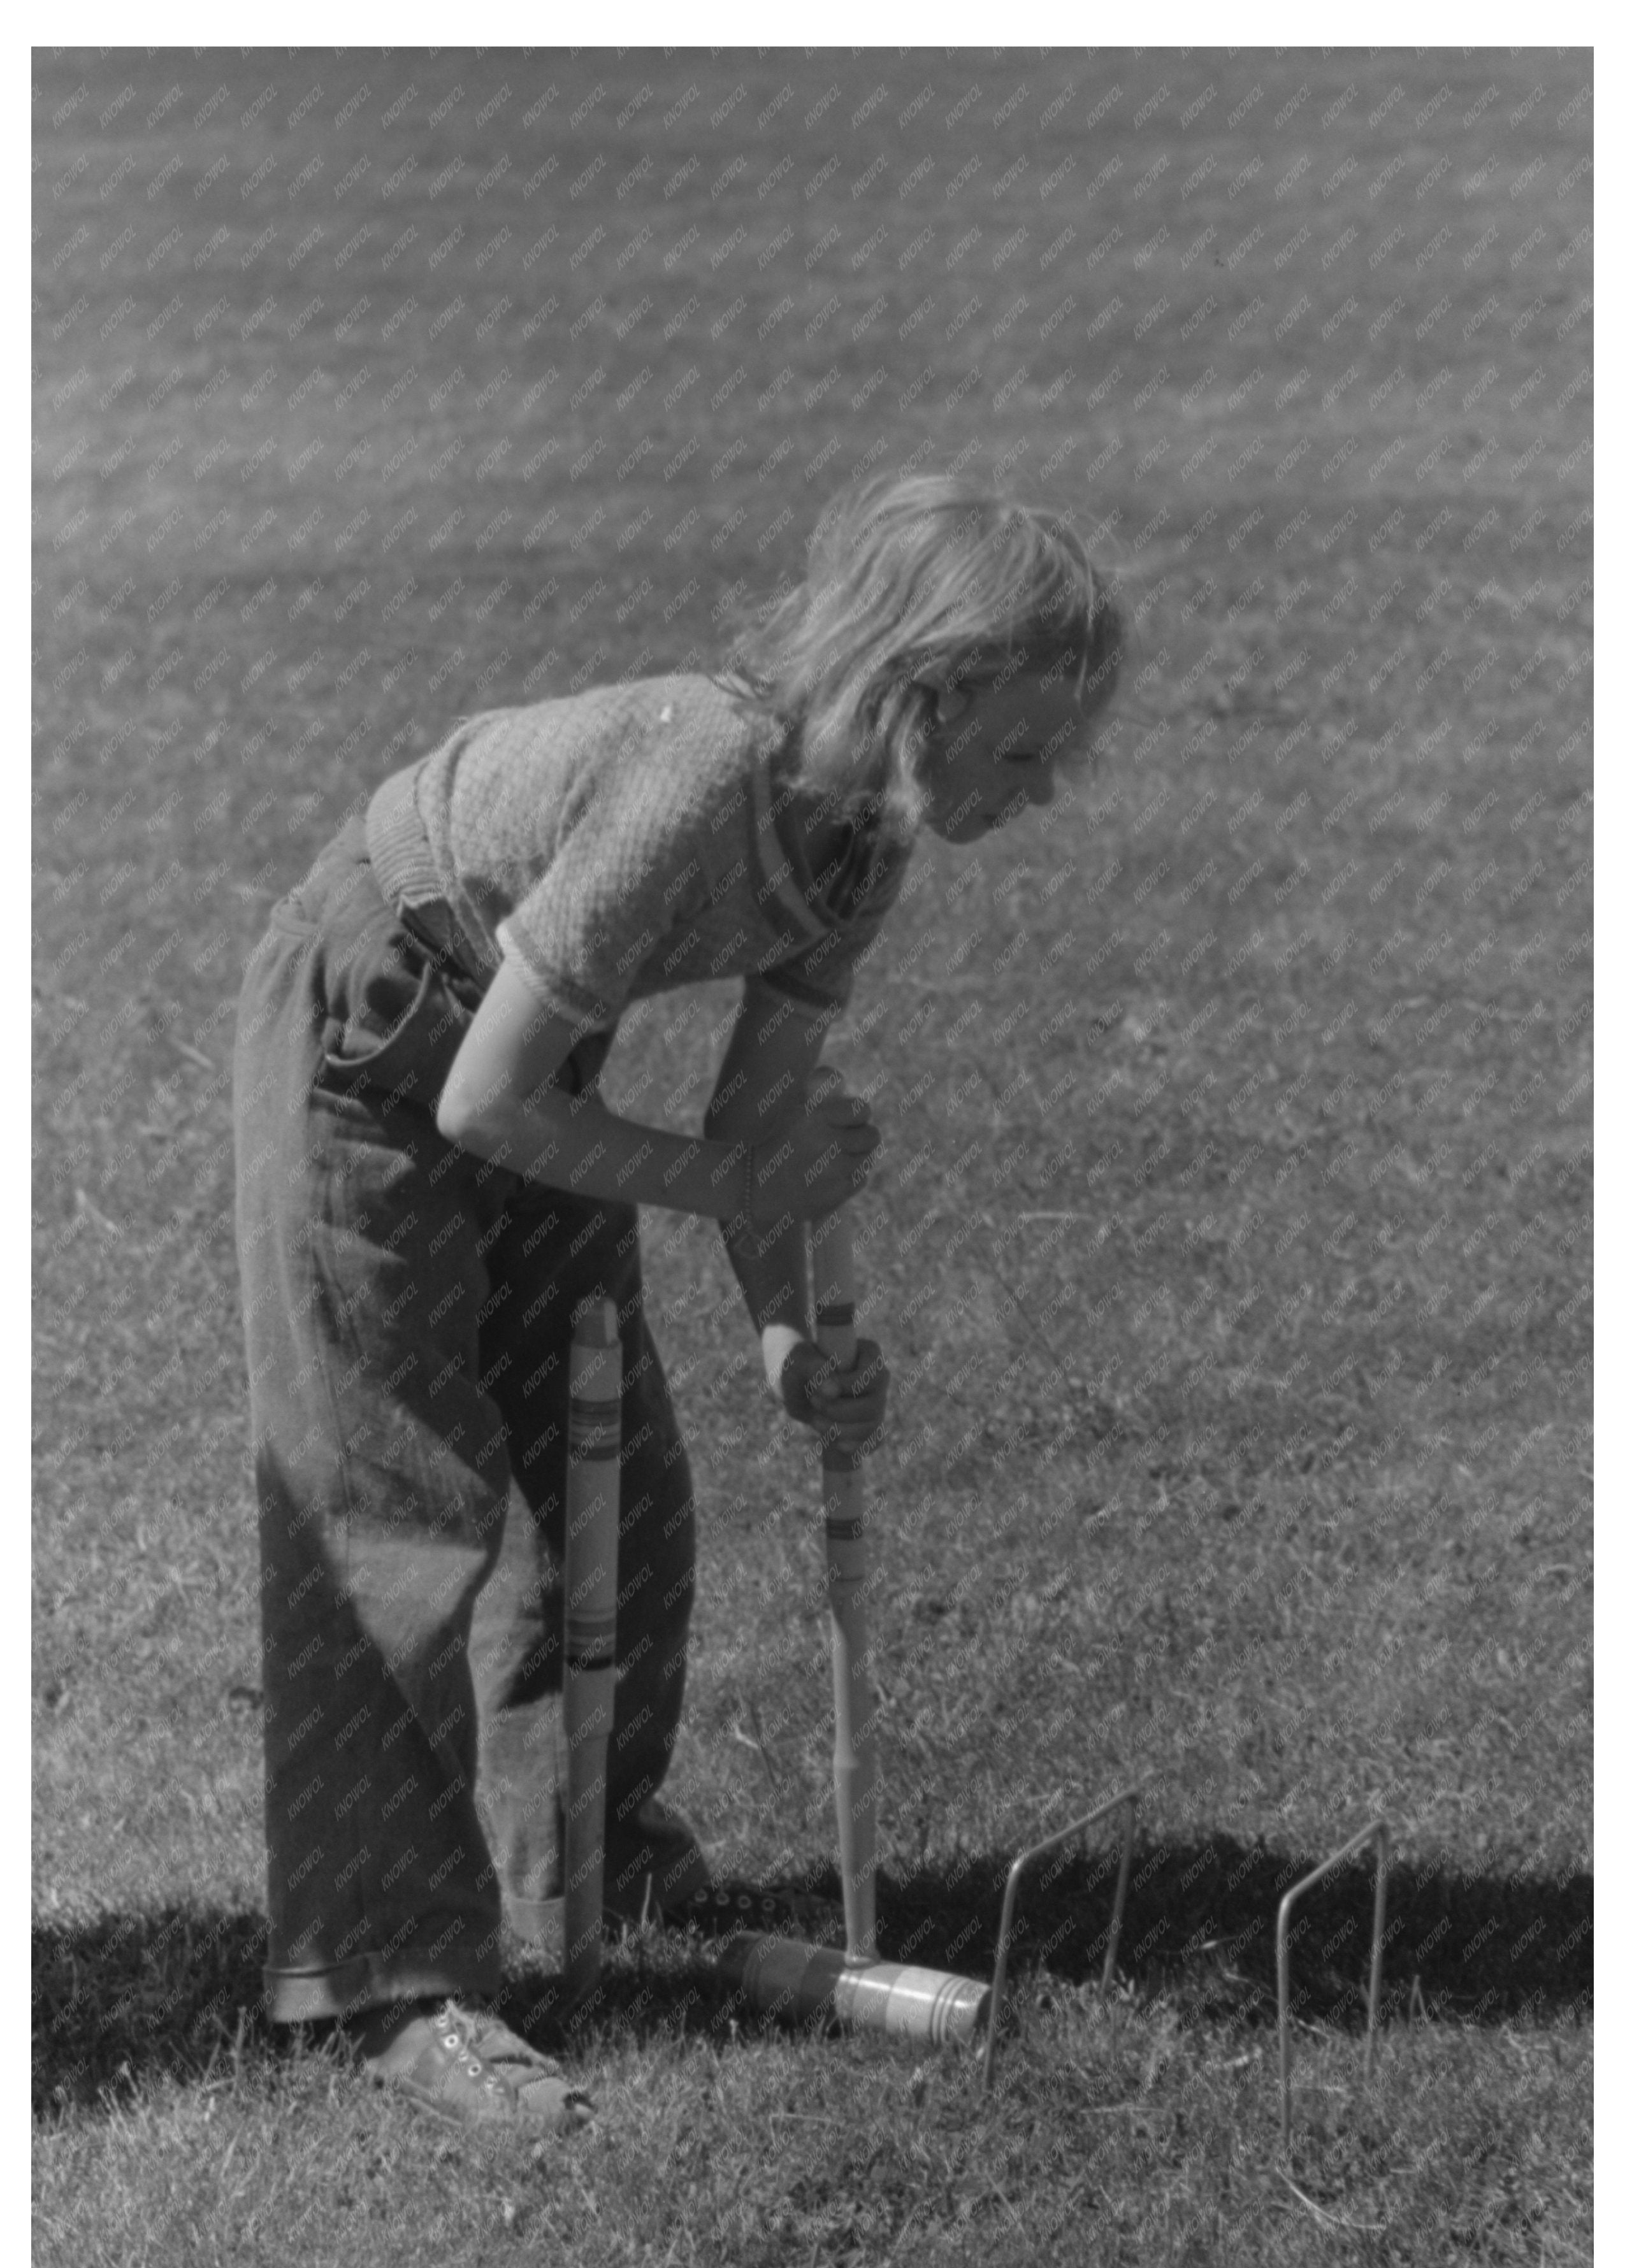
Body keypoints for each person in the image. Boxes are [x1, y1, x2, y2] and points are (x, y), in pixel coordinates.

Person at [231, 468, 1123, 2142]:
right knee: (404, 1509)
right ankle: (399, 1982)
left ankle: (594, 1861)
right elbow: (479, 1111)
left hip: (520, 1048)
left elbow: (756, 1121)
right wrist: (741, 1193)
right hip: (376, 1038)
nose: (1047, 788)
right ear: (916, 698)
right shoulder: (703, 772)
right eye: (1025, 748)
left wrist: (791, 1341)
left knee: (617, 1493)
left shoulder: (863, 842)